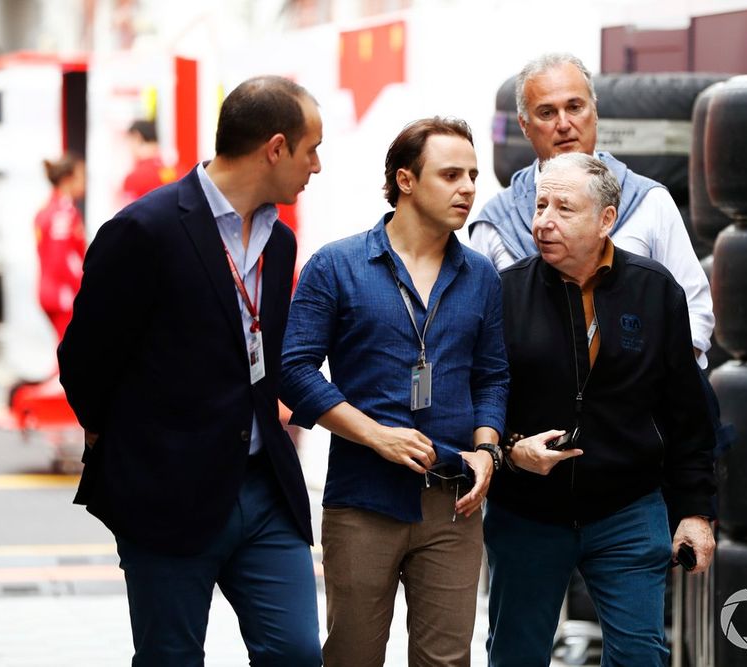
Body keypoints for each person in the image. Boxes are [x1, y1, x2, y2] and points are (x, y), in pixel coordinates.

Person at [58, 75, 324, 666]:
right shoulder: (144, 230)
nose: (317, 166)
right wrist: (119, 439)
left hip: (264, 489)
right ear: (275, 148)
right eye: (312, 150)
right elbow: (84, 360)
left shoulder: (278, 244)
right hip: (168, 490)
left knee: (297, 652)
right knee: (170, 657)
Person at [280, 117, 509, 667]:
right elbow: (293, 369)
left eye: (473, 175)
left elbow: (492, 375)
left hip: (454, 501)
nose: (469, 188)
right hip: (364, 500)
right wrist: (375, 436)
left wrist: (487, 449)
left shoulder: (481, 275)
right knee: (353, 656)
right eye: (451, 174)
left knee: (446, 660)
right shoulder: (337, 266)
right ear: (405, 180)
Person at [486, 152, 716, 666]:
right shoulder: (503, 292)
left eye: (563, 208)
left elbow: (686, 410)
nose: (543, 220)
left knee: (640, 656)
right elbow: (481, 398)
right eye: (540, 204)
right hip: (528, 511)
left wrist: (696, 512)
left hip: (627, 508)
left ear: (606, 219)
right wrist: (509, 450)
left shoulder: (655, 291)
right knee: (515, 656)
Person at [469, 52, 714, 363]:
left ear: (594, 110)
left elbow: (694, 309)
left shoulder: (649, 202)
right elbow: (477, 333)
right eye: (546, 113)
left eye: (575, 107)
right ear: (524, 125)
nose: (564, 124)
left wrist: (656, 385)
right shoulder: (496, 224)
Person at [34, 153, 86, 342]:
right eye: (81, 177)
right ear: (67, 180)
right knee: (71, 353)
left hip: (49, 289)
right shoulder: (63, 213)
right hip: (62, 293)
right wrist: (85, 286)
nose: (84, 183)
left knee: (65, 350)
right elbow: (63, 258)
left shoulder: (46, 208)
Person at [120, 119, 176, 205]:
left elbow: (127, 215)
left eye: (129, 141)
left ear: (137, 137)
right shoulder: (178, 171)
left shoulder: (134, 178)